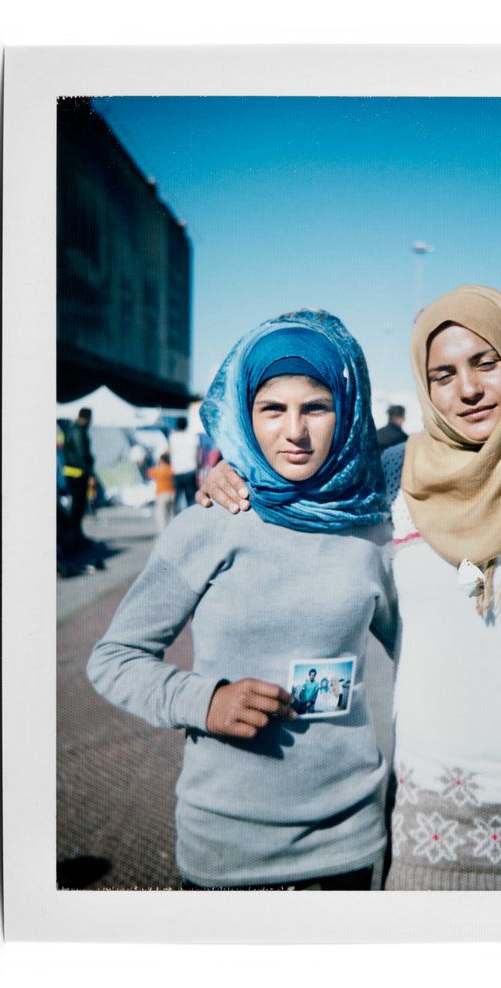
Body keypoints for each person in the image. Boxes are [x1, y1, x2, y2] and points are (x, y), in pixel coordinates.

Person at [200, 286, 501, 891]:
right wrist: (237, 472)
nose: (468, 389)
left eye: (486, 363)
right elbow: (302, 490)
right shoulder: (394, 478)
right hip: (424, 813)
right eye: (444, 375)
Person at [87, 310, 397, 891]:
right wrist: (204, 701)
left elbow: (420, 656)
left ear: (348, 411)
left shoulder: (371, 529)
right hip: (227, 849)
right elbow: (113, 658)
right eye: (273, 409)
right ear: (245, 415)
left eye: (316, 408)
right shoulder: (213, 520)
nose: (295, 431)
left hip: (347, 843)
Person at [62, 407, 95, 549]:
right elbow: (82, 454)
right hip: (78, 474)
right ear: (86, 418)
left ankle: (76, 535)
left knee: (77, 506)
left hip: (74, 473)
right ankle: (73, 537)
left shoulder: (74, 429)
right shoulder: (78, 431)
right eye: (90, 418)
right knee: (78, 506)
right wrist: (90, 472)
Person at [168, 416, 201, 512]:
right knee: (191, 498)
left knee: (178, 498)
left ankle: (177, 517)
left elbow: (169, 453)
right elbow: (198, 456)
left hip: (177, 471)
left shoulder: (172, 438)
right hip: (190, 470)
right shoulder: (193, 437)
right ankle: (193, 516)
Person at [146, 452, 176, 534]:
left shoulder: (159, 470)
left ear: (161, 461)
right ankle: (172, 531)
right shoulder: (172, 469)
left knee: (162, 515)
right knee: (171, 514)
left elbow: (148, 472)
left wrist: (157, 464)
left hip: (162, 495)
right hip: (172, 494)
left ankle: (164, 533)